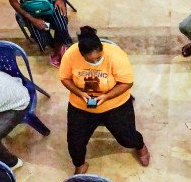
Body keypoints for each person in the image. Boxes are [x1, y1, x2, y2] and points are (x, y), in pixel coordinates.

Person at [59, 26, 150, 174]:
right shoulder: (71, 55)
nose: (95, 61)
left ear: (102, 49)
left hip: (115, 104)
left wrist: (106, 96)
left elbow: (127, 82)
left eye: (98, 58)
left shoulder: (116, 55)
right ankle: (80, 165)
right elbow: (64, 78)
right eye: (91, 60)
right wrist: (79, 93)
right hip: (81, 105)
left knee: (127, 137)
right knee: (75, 142)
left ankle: (140, 146)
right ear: (81, 55)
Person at [3, 0, 73, 67]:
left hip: (51, 1)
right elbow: (14, 2)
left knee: (62, 27)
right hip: (31, 9)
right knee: (42, 37)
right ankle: (54, 45)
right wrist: (32, 19)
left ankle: (61, 46)